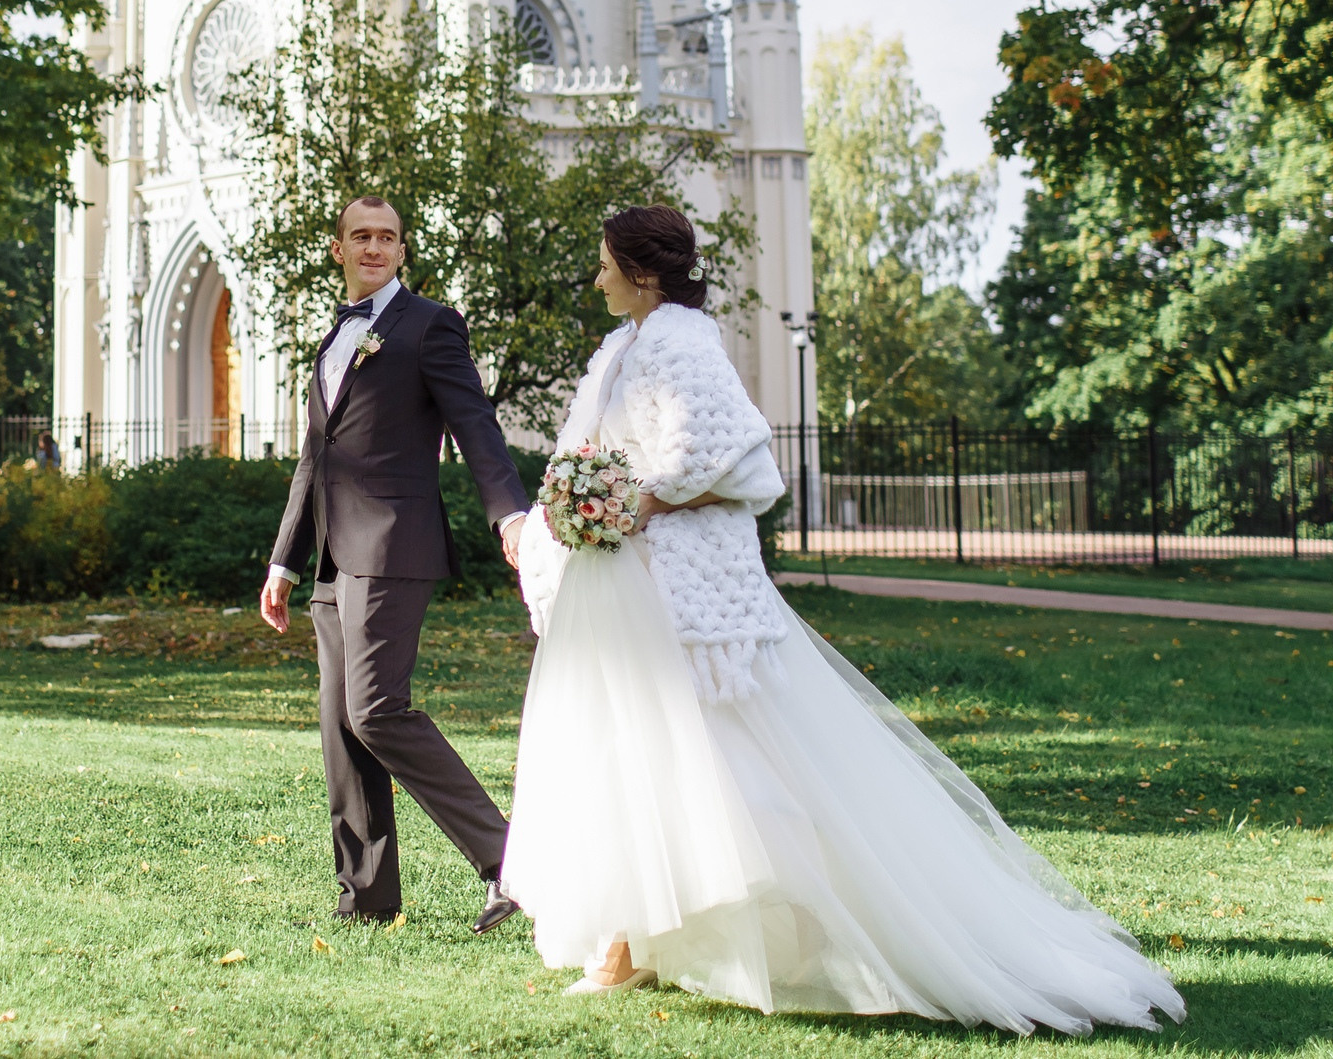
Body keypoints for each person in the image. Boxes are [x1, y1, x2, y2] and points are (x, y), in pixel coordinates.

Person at [499, 205, 1185, 1033]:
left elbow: (738, 466)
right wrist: (570, 514)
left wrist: (637, 500)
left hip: (685, 595)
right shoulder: (623, 347)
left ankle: (839, 925)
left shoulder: (684, 342)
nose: (597, 275)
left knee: (730, 766)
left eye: (606, 262)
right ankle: (628, 942)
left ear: (642, 271)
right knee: (623, 755)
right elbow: (596, 458)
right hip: (624, 591)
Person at [261, 195, 533, 934]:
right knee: (341, 727)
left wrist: (508, 510)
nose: (374, 247)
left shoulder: (429, 325)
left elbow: (474, 419)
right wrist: (283, 562)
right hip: (329, 562)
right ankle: (367, 896)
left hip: (393, 545)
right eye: (361, 236)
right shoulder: (331, 339)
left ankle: (513, 860)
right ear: (337, 247)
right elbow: (315, 457)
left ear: (402, 250)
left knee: (377, 709)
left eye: (387, 237)